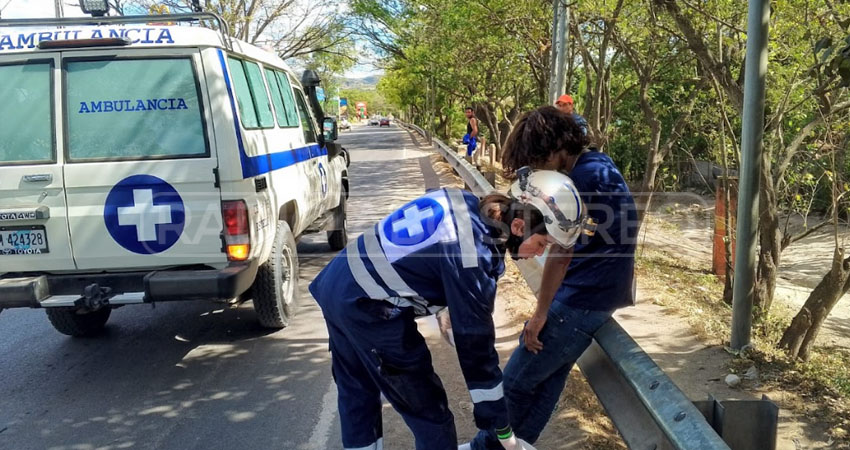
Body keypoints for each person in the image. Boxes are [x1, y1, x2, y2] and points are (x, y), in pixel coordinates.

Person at [309, 176, 585, 450]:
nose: (539, 253)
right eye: (541, 243)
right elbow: (476, 348)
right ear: (518, 226)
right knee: (431, 414)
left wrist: (441, 304)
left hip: (338, 284)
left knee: (357, 393)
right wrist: (502, 429)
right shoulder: (472, 255)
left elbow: (429, 253)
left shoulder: (465, 202)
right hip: (368, 308)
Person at [467, 106, 637, 449]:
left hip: (582, 296)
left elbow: (560, 254)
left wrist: (541, 313)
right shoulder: (599, 165)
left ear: (555, 148)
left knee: (513, 386)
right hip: (601, 290)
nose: (538, 170)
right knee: (546, 382)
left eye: (537, 160)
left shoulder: (577, 182)